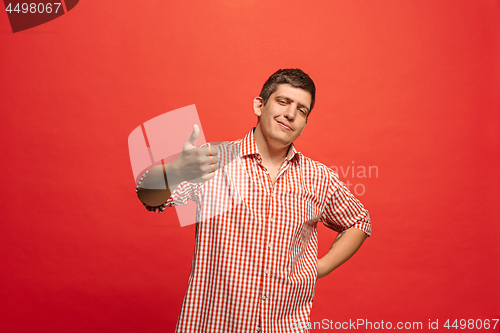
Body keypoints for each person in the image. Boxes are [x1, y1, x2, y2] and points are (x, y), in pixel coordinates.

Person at [136, 68, 371, 333]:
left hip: (284, 327)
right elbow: (147, 195)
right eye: (283, 102)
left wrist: (321, 267)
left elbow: (359, 220)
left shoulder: (319, 177)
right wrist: (177, 170)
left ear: (305, 124)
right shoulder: (214, 160)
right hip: (214, 325)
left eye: (302, 110)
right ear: (259, 105)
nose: (291, 114)